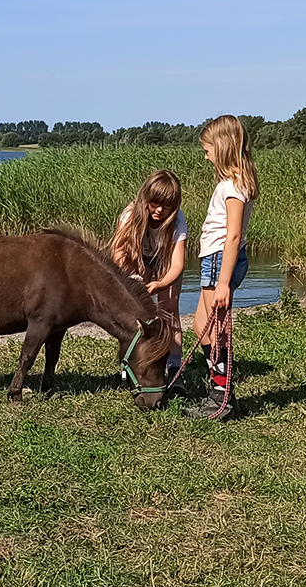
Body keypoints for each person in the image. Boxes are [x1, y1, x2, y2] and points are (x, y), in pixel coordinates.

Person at [188, 116, 258, 420]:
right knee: (199, 326)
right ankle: (221, 385)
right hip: (215, 260)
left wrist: (223, 283)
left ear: (223, 147)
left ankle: (221, 399)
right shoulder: (235, 182)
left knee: (215, 332)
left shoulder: (232, 186)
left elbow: (232, 235)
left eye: (208, 150)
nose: (205, 156)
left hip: (219, 261)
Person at [111, 170, 186, 381]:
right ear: (145, 198)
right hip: (137, 258)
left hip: (164, 260)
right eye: (154, 203)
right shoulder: (129, 216)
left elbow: (177, 264)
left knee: (170, 310)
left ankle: (174, 367)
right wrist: (131, 279)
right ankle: (132, 362)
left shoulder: (178, 221)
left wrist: (161, 284)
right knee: (135, 312)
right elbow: (119, 254)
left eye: (167, 206)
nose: (160, 210)